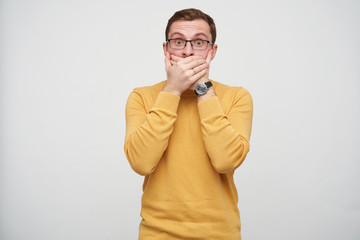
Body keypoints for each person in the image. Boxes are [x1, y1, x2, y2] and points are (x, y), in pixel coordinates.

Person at [124, 8, 253, 240]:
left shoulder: (237, 97)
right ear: (166, 49)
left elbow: (226, 161)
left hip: (220, 234)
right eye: (178, 41)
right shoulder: (141, 97)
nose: (188, 51)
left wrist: (203, 90)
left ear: (212, 52)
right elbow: (141, 163)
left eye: (199, 43)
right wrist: (172, 90)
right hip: (157, 234)